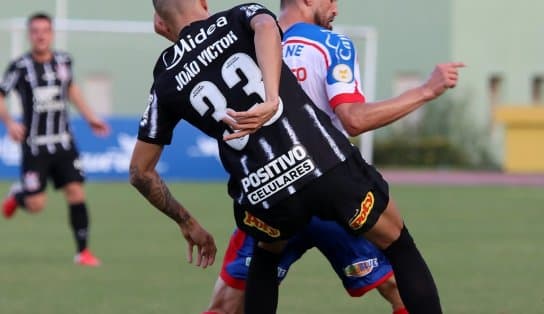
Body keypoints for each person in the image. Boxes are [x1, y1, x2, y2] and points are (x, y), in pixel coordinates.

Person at [131, 1, 460, 313]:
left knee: (263, 258)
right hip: (324, 165)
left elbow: (139, 171)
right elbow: (265, 26)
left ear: (159, 24)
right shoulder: (241, 16)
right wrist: (272, 98)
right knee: (399, 247)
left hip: (264, 190)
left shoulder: (164, 79)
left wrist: (188, 223)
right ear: (204, 3)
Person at [0, 12, 110, 267]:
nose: (40, 35)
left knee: (75, 192)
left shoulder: (63, 61)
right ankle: (19, 196)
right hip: (35, 146)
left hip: (64, 142)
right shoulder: (19, 66)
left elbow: (71, 88)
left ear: (51, 34)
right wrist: (9, 123)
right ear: (30, 35)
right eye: (35, 31)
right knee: (36, 204)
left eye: (45, 30)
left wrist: (90, 116)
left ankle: (82, 252)